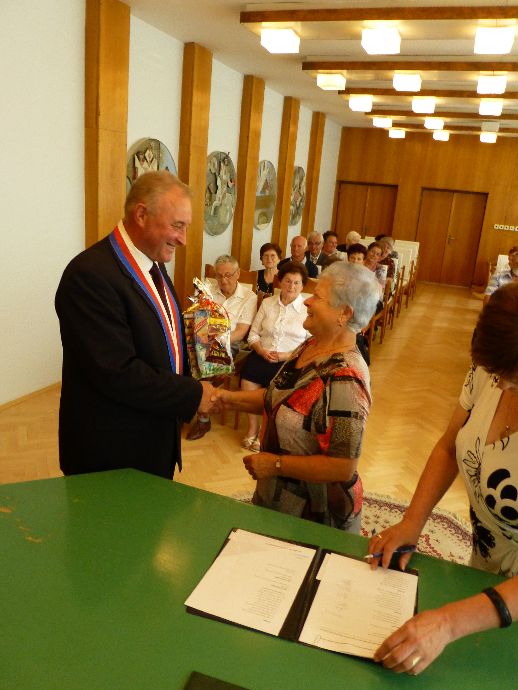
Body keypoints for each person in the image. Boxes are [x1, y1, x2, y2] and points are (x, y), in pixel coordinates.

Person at [367, 283, 518, 676]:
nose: (501, 386)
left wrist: (448, 623)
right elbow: (450, 447)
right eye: (496, 375)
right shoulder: (490, 371)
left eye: (513, 379)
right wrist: (412, 521)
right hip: (484, 564)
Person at [55, 171, 217, 479]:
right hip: (111, 453)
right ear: (141, 215)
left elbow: (161, 338)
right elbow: (117, 372)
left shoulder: (153, 262)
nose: (183, 239)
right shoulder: (89, 275)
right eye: (177, 225)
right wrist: (192, 394)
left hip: (153, 438)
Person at [216, 262, 380, 532]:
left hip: (316, 517)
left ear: (344, 313)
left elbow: (342, 467)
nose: (307, 301)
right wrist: (224, 398)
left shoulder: (346, 378)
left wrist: (276, 464)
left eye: (318, 297)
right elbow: (280, 397)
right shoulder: (311, 344)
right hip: (279, 501)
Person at [186, 254, 257, 440]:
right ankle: (184, 407)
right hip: (203, 340)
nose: (223, 280)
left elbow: (241, 332)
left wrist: (215, 343)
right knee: (181, 359)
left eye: (228, 275)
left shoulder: (249, 297)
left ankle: (203, 419)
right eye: (219, 276)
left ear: (237, 274)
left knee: (206, 366)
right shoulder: (207, 290)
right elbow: (196, 319)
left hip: (230, 344)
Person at [241, 262, 309, 451]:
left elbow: (309, 344)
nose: (291, 286)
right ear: (280, 282)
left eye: (296, 283)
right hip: (262, 354)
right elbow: (253, 334)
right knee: (248, 378)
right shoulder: (267, 303)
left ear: (302, 286)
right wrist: (261, 350)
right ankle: (252, 428)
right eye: (288, 281)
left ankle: (265, 431)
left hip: (290, 360)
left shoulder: (307, 309)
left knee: (275, 389)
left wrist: (285, 356)